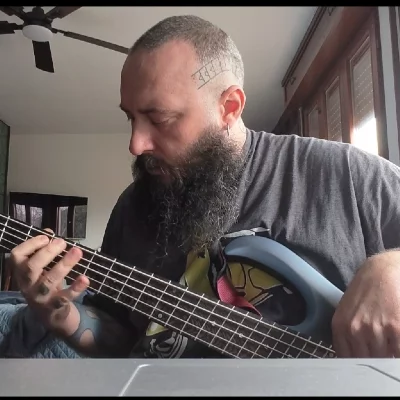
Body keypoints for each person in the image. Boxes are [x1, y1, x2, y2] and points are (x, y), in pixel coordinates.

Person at [8, 15, 400, 359]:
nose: (136, 144)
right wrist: (62, 316)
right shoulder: (133, 208)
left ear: (229, 107)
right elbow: (123, 340)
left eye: (159, 119)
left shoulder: (344, 174)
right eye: (131, 118)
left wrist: (389, 266)